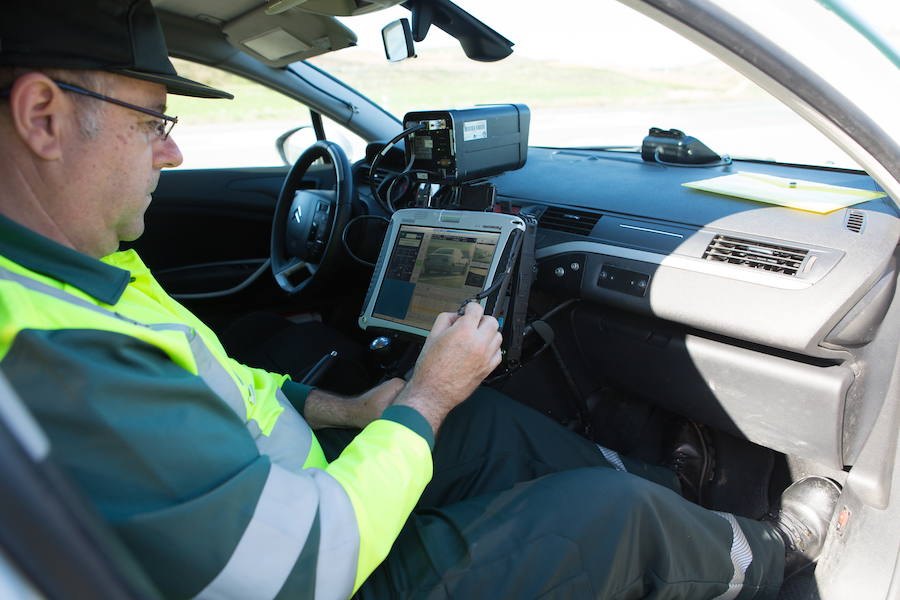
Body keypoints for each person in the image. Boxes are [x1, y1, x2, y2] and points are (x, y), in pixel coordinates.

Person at [0, 1, 839, 599]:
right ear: (42, 117)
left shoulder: (76, 272)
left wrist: (350, 409)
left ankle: (678, 501)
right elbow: (297, 570)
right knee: (600, 516)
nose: (174, 151)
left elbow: (231, 389)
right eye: (153, 122)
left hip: (279, 491)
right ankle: (766, 560)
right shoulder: (46, 355)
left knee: (477, 425)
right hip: (313, 564)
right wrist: (426, 397)